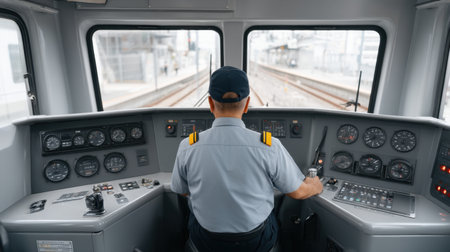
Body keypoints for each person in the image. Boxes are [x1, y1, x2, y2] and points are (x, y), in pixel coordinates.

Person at [171, 66, 323, 252]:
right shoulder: (269, 146)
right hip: (255, 242)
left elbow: (182, 190)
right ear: (247, 104)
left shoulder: (188, 146)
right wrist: (314, 184)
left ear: (210, 103)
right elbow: (298, 193)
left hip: (206, 241)